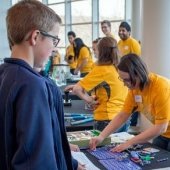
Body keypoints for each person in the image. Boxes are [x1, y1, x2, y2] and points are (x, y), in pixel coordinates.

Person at [0, 1, 77, 169]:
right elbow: (36, 160)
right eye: (54, 40)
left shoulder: (6, 74)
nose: (54, 49)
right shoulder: (33, 86)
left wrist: (70, 161)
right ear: (35, 37)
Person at [89, 53, 170, 152]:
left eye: (127, 80)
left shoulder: (161, 86)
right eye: (122, 79)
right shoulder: (134, 89)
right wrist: (101, 136)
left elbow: (161, 127)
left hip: (162, 131)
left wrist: (129, 142)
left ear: (139, 73)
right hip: (163, 135)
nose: (124, 84)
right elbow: (122, 115)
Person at [65, 37, 129, 132]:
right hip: (124, 117)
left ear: (101, 51)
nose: (94, 52)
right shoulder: (119, 67)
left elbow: (77, 90)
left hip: (107, 118)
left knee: (104, 147)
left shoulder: (102, 69)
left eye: (95, 49)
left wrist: (90, 100)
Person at [118, 21, 141, 126]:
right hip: (123, 76)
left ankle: (133, 122)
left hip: (132, 76)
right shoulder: (119, 43)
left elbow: (137, 60)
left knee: (135, 99)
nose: (121, 32)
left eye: (123, 30)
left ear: (129, 32)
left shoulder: (133, 43)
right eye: (120, 30)